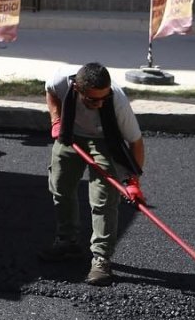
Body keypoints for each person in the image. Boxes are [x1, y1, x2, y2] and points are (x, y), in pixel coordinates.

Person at [39, 62, 145, 287]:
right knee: (60, 186)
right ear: (77, 89)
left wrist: (133, 181)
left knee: (104, 199)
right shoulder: (60, 80)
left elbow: (135, 141)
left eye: (102, 99)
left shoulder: (116, 100)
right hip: (70, 135)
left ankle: (101, 258)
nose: (99, 104)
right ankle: (67, 241)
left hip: (105, 141)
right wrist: (56, 120)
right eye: (92, 100)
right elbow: (50, 92)